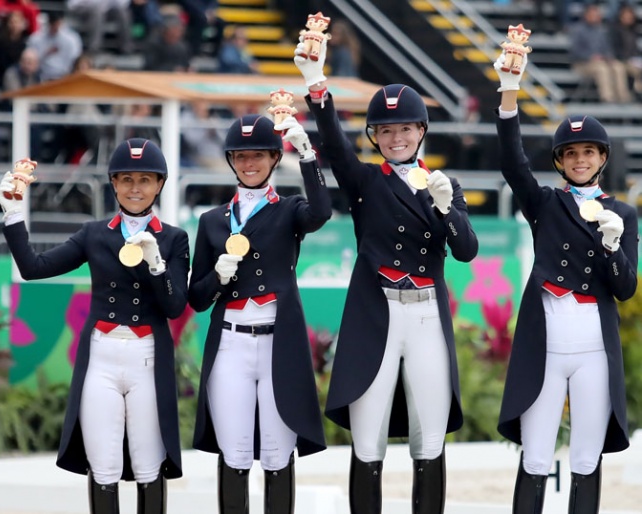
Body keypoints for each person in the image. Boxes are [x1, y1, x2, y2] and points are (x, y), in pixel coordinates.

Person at [295, 35, 479, 513]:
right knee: (368, 437)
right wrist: (317, 86)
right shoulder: (365, 181)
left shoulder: (444, 185)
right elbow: (334, 145)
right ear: (376, 136)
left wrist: (447, 210)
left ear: (421, 131)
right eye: (386, 131)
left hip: (424, 319)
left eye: (405, 129)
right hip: (377, 315)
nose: (396, 138)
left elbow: (466, 251)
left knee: (430, 434)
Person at [0, 138, 190, 514]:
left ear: (160, 185)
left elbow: (174, 305)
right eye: (127, 179)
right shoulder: (94, 233)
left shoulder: (174, 239)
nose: (136, 188)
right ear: (114, 184)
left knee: (149, 463)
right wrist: (14, 215)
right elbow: (34, 269)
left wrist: (156, 264)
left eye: (145, 180)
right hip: (102, 355)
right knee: (103, 465)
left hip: (147, 357)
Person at [493, 45, 638, 514]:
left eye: (588, 152)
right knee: (535, 456)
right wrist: (510, 93)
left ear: (601, 157)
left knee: (585, 456)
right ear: (560, 160)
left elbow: (625, 289)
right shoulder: (545, 204)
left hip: (594, 347)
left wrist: (613, 247)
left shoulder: (623, 213)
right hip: (547, 343)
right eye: (571, 153)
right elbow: (513, 166)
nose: (579, 160)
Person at [188, 112, 330, 513]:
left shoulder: (289, 210)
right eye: (241, 156)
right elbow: (196, 299)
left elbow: (321, 212)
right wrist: (217, 277)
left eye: (258, 156)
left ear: (272, 158)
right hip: (231, 343)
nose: (249, 164)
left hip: (277, 345)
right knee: (233, 454)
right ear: (232, 160)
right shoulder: (212, 221)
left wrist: (307, 155)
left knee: (276, 451)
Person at [569, 3, 632, 103]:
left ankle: (623, 98)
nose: (595, 17)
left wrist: (609, 57)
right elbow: (575, 51)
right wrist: (591, 57)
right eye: (592, 14)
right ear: (586, 15)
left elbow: (607, 48)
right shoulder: (578, 30)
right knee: (602, 69)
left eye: (596, 14)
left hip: (602, 61)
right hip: (583, 64)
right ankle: (608, 98)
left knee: (618, 66)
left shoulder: (601, 30)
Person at [26, 10, 82, 82]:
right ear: (48, 23)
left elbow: (76, 59)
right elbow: (29, 60)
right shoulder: (36, 38)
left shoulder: (72, 39)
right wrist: (45, 53)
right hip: (40, 77)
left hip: (66, 77)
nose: (55, 27)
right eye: (53, 24)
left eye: (57, 24)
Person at [610, 3, 642, 97]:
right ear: (621, 17)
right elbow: (614, 49)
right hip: (620, 60)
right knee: (620, 68)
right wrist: (627, 59)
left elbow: (637, 48)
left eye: (630, 16)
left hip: (635, 60)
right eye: (626, 16)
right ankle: (624, 97)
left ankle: (638, 93)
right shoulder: (615, 30)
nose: (629, 18)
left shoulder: (636, 30)